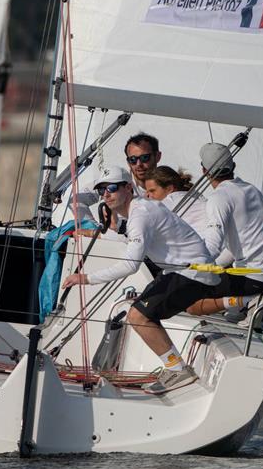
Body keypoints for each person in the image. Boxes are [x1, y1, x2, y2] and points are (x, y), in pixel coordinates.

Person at [61, 168, 219, 394]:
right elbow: (134, 240)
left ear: (128, 188)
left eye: (112, 187)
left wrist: (85, 278)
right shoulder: (138, 211)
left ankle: (178, 370)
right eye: (101, 190)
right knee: (136, 312)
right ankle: (176, 366)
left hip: (191, 273)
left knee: (138, 316)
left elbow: (130, 265)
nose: (106, 194)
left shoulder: (140, 214)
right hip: (179, 271)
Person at [186, 143, 263, 317]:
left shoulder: (218, 198)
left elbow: (212, 246)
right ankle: (244, 309)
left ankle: (248, 301)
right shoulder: (251, 190)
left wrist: (188, 266)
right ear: (233, 166)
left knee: (189, 298)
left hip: (257, 277)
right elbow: (234, 248)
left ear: (204, 171)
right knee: (215, 280)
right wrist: (213, 267)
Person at [144, 166, 207, 235]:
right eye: (147, 192)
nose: (148, 196)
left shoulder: (169, 202)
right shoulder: (196, 197)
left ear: (170, 188)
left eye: (152, 191)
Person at [124, 133, 161, 197]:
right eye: (133, 159)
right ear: (128, 162)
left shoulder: (171, 187)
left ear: (157, 156)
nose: (139, 164)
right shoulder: (122, 192)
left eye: (144, 157)